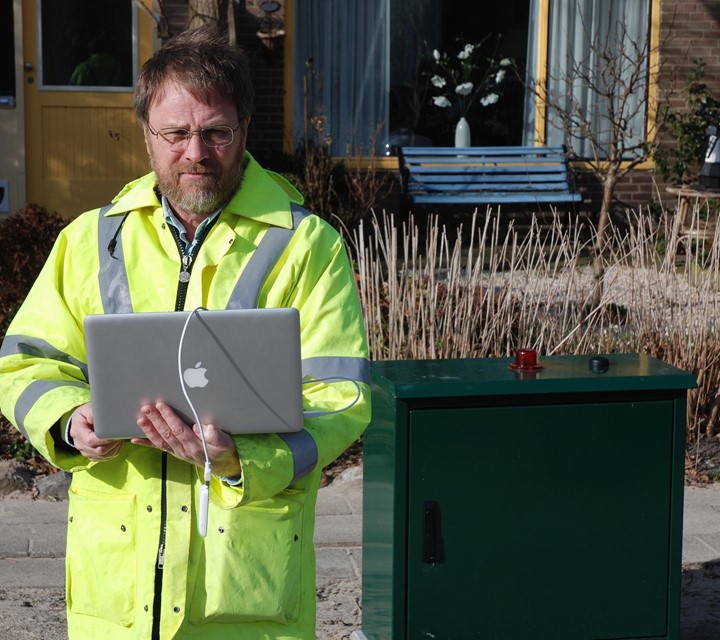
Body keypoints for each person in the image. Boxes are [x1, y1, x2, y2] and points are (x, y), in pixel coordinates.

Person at [0, 25, 371, 640]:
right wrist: (70, 421)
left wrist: (240, 461)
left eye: (215, 132)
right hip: (113, 604)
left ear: (245, 128)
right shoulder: (90, 240)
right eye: (175, 134)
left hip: (245, 606)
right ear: (145, 135)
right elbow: (23, 362)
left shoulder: (308, 247)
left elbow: (342, 399)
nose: (195, 152)